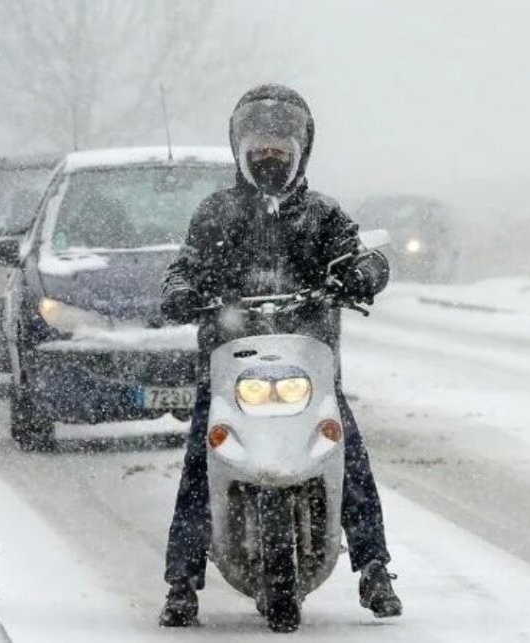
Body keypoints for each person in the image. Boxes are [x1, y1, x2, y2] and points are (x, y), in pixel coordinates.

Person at [159, 84, 402, 627]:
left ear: (301, 149)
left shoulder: (322, 215)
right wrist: (180, 291)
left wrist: (363, 274)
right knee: (201, 462)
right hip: (228, 368)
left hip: (310, 369)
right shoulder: (216, 213)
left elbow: (363, 257)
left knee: (350, 455)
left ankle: (374, 566)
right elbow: (186, 266)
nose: (270, 155)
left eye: (280, 145)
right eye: (260, 144)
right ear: (240, 148)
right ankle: (180, 580)